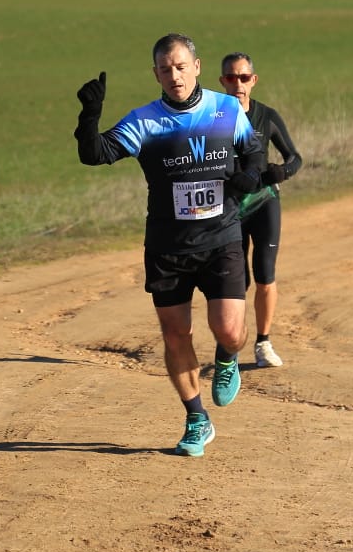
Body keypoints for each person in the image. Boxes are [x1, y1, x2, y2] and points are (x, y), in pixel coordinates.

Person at [74, 34, 287, 457]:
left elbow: (254, 149)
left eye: (180, 66)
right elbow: (94, 154)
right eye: (165, 69)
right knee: (176, 335)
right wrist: (89, 116)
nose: (174, 75)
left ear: (197, 67)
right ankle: (196, 418)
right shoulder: (144, 121)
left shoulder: (225, 108)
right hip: (168, 245)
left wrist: (251, 174)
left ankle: (227, 357)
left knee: (229, 330)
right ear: (156, 74)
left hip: (222, 236)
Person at [218, 52, 304, 369]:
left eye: (243, 77)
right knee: (235, 282)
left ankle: (263, 343)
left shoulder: (266, 117)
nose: (237, 83)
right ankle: (231, 343)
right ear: (222, 82)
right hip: (228, 209)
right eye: (230, 77)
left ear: (253, 80)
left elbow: (295, 156)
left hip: (264, 203)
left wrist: (281, 173)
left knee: (266, 276)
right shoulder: (212, 118)